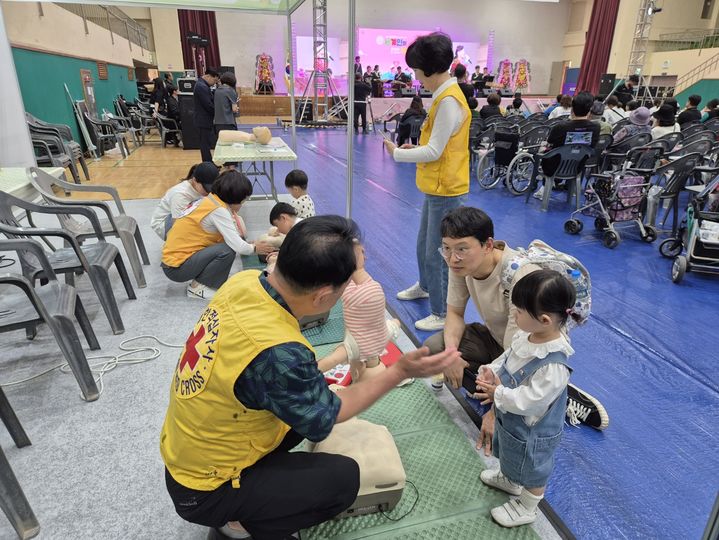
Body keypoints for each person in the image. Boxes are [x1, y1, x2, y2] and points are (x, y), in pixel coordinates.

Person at [160, 215, 461, 540]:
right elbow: (329, 415)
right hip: (206, 489)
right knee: (344, 479)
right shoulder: (279, 353)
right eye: (345, 287)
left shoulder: (244, 282)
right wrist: (399, 371)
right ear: (322, 296)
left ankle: (253, 497)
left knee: (304, 412)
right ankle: (237, 525)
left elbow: (290, 377)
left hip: (189, 450)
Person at [423, 207, 608, 450]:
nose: (451, 257)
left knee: (512, 428)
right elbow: (455, 314)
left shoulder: (520, 275)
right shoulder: (459, 264)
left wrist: (494, 412)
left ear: (488, 245)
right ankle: (539, 393)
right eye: (446, 247)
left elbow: (518, 351)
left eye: (461, 249)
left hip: (528, 356)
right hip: (499, 343)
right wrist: (451, 355)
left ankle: (556, 394)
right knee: (434, 349)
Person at [383, 32, 471, 331]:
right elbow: (436, 144)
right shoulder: (442, 96)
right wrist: (412, 150)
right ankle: (424, 285)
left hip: (447, 189)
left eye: (417, 71)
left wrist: (397, 154)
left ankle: (441, 311)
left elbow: (434, 151)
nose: (416, 77)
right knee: (424, 245)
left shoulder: (448, 101)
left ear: (430, 69)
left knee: (440, 252)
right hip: (436, 187)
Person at [476, 269, 577, 527]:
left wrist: (497, 393)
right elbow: (509, 357)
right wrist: (492, 370)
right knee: (510, 451)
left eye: (519, 311)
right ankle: (510, 480)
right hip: (512, 418)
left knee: (532, 467)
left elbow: (533, 401)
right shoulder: (526, 335)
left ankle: (527, 506)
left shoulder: (553, 364)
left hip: (534, 428)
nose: (515, 315)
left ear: (544, 319)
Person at [161, 170, 273, 299]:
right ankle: (198, 288)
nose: (243, 203)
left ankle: (202, 282)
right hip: (176, 269)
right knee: (227, 249)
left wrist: (247, 243)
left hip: (173, 260)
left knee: (228, 243)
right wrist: (255, 248)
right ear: (235, 198)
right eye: (243, 200)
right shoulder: (218, 211)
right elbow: (238, 246)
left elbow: (236, 236)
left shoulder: (210, 200)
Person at [316, 240, 402, 383]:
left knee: (340, 361)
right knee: (394, 324)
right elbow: (393, 325)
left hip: (363, 342)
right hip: (379, 336)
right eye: (362, 252)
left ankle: (362, 376)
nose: (366, 257)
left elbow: (328, 362)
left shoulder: (348, 291)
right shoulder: (380, 334)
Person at [535, 91, 600, 199]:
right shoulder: (596, 128)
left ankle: (543, 188)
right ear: (589, 110)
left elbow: (550, 141)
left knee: (546, 153)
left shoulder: (560, 127)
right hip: (578, 166)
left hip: (554, 166)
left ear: (572, 108)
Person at [150, 162, 219, 239]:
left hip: (183, 216)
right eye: (205, 188)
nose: (208, 192)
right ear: (194, 180)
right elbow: (177, 225)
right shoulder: (180, 195)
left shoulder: (200, 187)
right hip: (165, 225)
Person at [194, 68, 220, 162]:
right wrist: (218, 113)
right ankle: (207, 165)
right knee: (205, 145)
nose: (214, 83)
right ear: (208, 76)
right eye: (214, 80)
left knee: (207, 144)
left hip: (205, 120)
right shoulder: (201, 86)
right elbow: (208, 105)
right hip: (203, 121)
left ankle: (209, 164)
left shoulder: (203, 85)